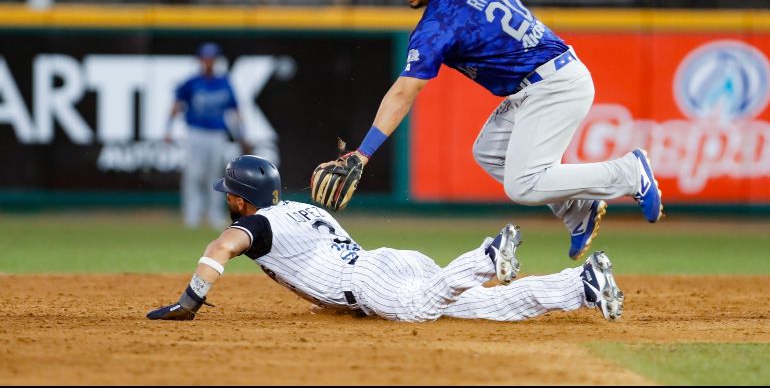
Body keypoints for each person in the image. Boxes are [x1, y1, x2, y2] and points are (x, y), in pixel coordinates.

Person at [314, 0, 663, 261]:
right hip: (539, 82)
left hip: (554, 85)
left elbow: (403, 92)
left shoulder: (437, 26)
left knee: (524, 186)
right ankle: (578, 209)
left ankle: (629, 173)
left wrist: (363, 153)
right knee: (490, 152)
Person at [146, 155, 625, 323]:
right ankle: (580, 285)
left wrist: (189, 302)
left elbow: (219, 249)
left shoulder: (257, 226)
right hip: (389, 262)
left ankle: (487, 255)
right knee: (486, 306)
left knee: (418, 310)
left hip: (366, 281)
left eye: (229, 194)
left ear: (240, 198)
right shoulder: (304, 210)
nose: (227, 200)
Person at [165, 42, 250, 230]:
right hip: (195, 132)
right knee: (193, 173)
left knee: (215, 174)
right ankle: (192, 216)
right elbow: (177, 104)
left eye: (211, 58)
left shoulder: (224, 82)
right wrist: (168, 128)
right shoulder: (192, 82)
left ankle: (215, 215)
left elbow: (235, 110)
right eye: (205, 58)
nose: (208, 61)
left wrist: (242, 134)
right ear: (200, 60)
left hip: (216, 133)